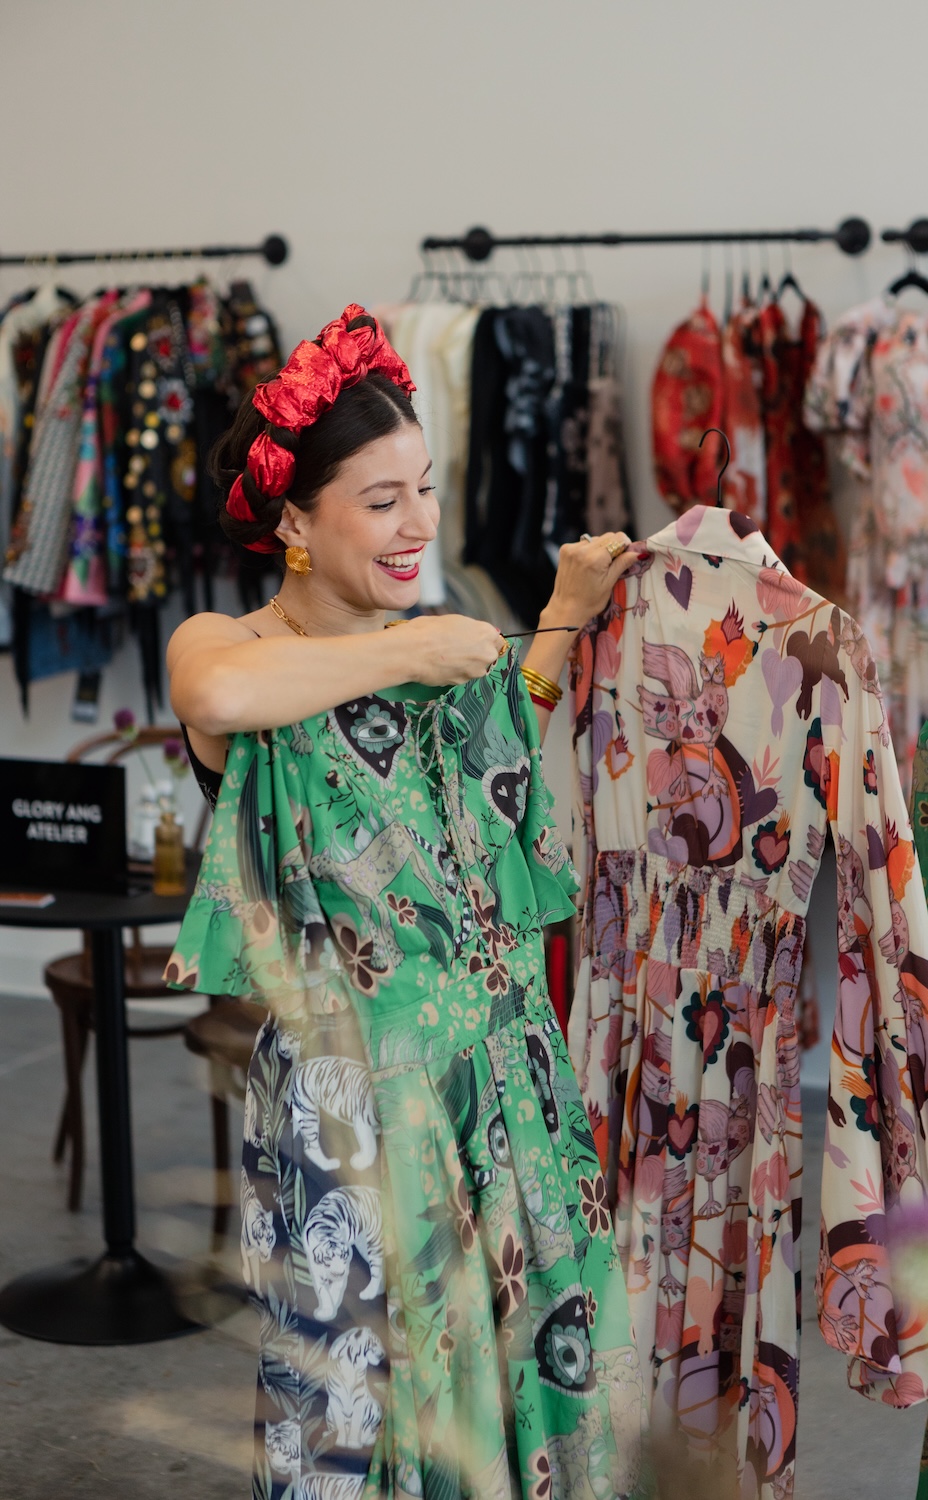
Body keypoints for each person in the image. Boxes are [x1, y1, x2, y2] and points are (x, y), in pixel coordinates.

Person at [166, 306, 645, 1500]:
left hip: (501, 1072)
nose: (421, 523)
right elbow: (220, 692)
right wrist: (411, 647)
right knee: (359, 1404)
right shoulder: (231, 647)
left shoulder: (426, 643)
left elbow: (477, 800)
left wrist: (560, 619)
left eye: (424, 488)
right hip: (354, 1110)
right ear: (291, 519)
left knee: (523, 1380)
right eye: (380, 501)